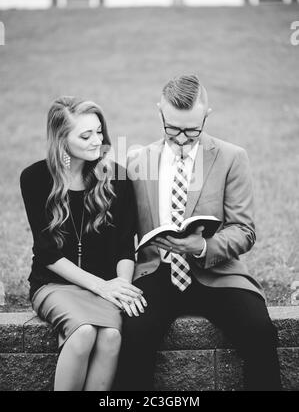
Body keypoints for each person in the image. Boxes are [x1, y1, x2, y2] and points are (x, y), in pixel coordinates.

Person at [113, 74, 282, 391]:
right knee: (133, 336)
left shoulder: (232, 157)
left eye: (191, 131)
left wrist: (202, 245)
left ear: (207, 115)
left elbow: (244, 230)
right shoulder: (138, 159)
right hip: (156, 273)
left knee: (260, 331)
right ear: (159, 112)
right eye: (172, 129)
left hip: (216, 272)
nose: (180, 139)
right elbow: (122, 232)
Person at [20, 96, 146, 391]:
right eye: (85, 135)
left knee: (111, 336)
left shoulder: (117, 178)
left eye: (99, 132)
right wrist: (102, 287)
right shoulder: (36, 178)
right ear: (61, 139)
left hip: (108, 285)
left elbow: (126, 245)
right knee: (84, 332)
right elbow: (48, 252)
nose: (97, 141)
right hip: (54, 284)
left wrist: (121, 288)